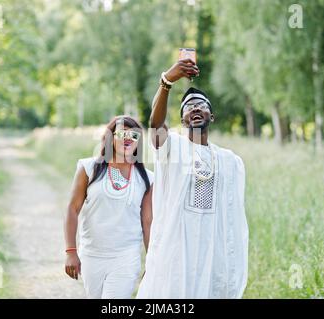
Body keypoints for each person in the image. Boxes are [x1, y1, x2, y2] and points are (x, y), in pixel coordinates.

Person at [136, 59, 249, 298]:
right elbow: (155, 125)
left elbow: (232, 215)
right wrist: (167, 82)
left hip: (211, 250)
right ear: (183, 120)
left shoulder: (230, 161)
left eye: (201, 105)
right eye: (188, 107)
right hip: (177, 248)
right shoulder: (172, 148)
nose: (195, 109)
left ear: (212, 116)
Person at [64, 115, 154, 299]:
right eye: (122, 133)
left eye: (134, 135)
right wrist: (71, 251)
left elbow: (147, 222)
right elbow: (72, 209)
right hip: (91, 254)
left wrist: (152, 261)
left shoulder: (147, 179)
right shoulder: (89, 168)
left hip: (126, 257)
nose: (128, 138)